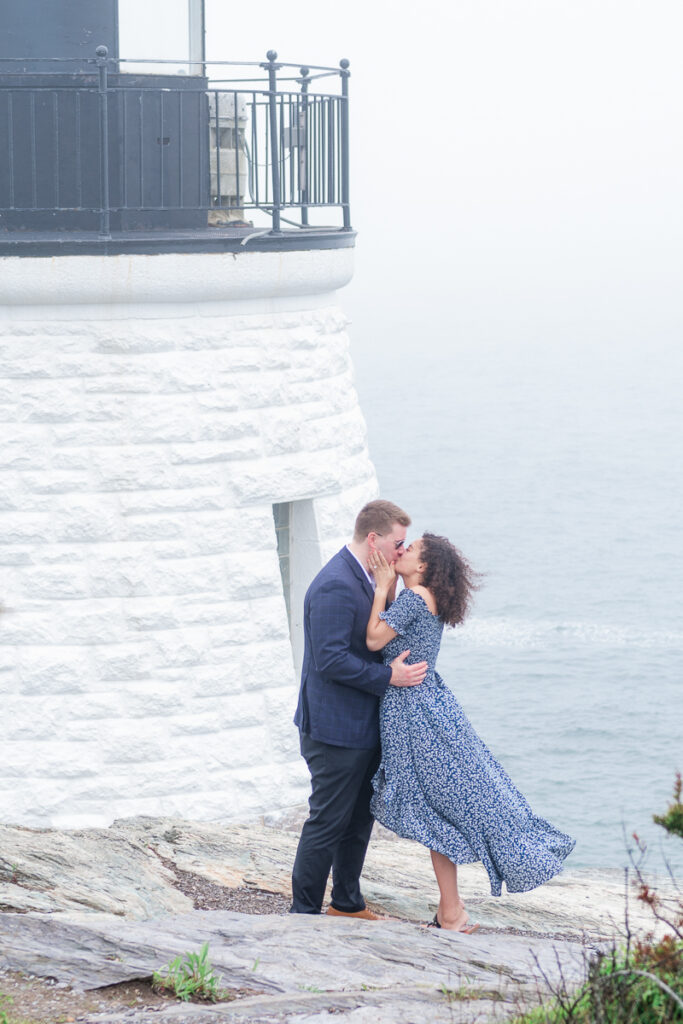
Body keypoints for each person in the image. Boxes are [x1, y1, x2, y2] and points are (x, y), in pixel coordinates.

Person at [366, 533, 575, 933]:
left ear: (423, 567)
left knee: (432, 810)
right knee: (437, 811)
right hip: (427, 704)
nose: (402, 551)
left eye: (410, 550)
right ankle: (451, 911)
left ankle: (453, 911)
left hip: (412, 712)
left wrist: (380, 589)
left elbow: (374, 639)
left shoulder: (414, 598)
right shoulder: (424, 598)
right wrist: (390, 588)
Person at [290, 500, 429, 917]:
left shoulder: (372, 576)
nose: (401, 552)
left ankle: (347, 902)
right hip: (333, 729)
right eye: (397, 543)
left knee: (356, 821)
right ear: (374, 539)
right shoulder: (336, 583)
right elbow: (330, 660)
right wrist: (390, 678)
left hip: (362, 725)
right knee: (328, 821)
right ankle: (304, 912)